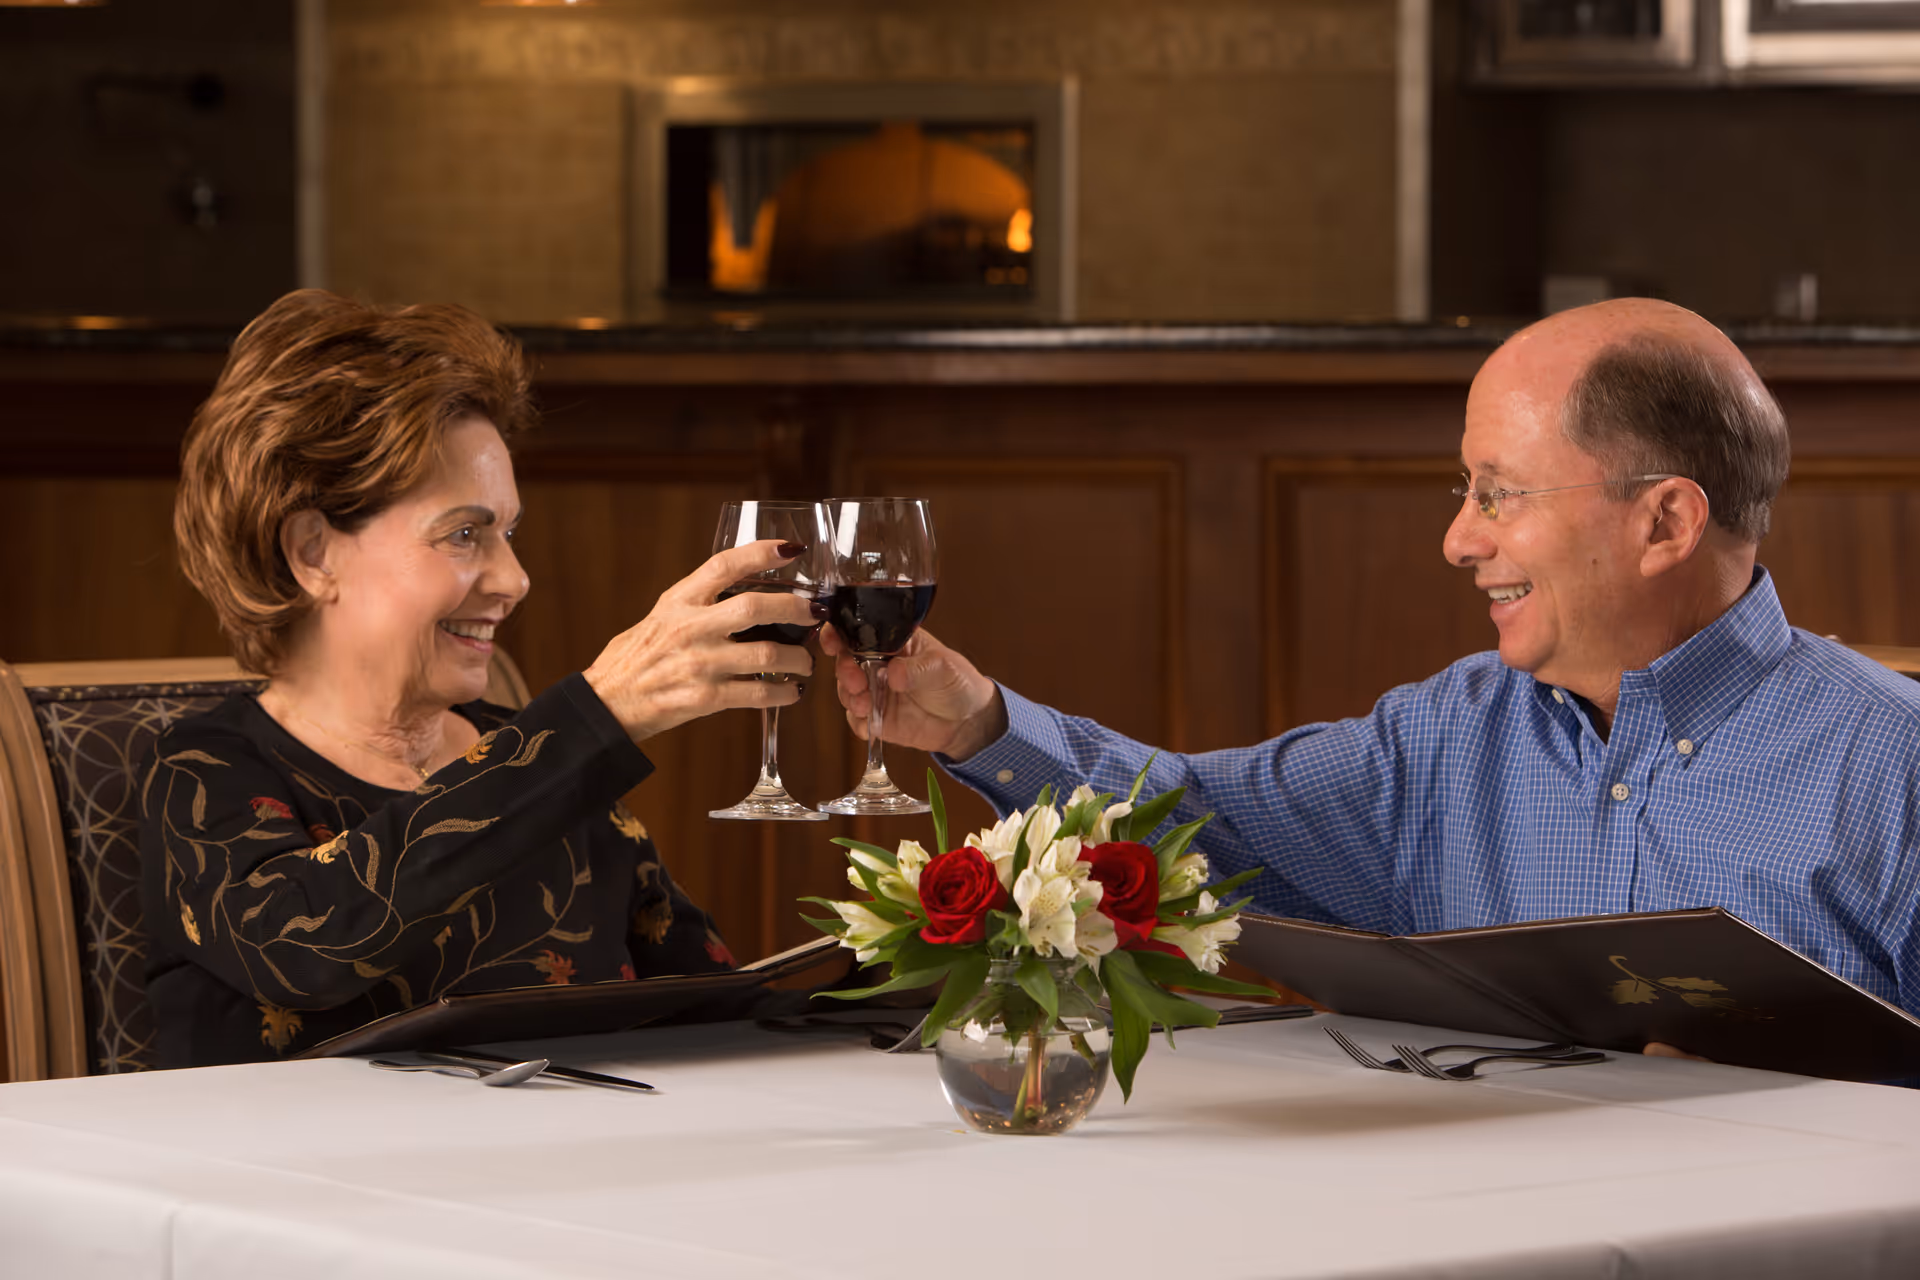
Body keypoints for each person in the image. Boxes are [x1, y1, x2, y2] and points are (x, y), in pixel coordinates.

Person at [820, 298, 1920, 1022]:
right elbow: (1190, 827)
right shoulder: (1446, 734)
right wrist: (975, 722)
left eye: (1501, 492)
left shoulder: (1895, 764)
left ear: (1666, 522)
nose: (1460, 538)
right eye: (1465, 491)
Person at [142, 289, 817, 1067]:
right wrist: (594, 718)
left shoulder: (537, 758)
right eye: (465, 534)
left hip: (559, 1184)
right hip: (295, 1187)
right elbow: (308, 943)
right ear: (313, 554)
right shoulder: (203, 773)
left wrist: (925, 945)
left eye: (508, 532)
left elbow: (721, 1008)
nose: (514, 578)